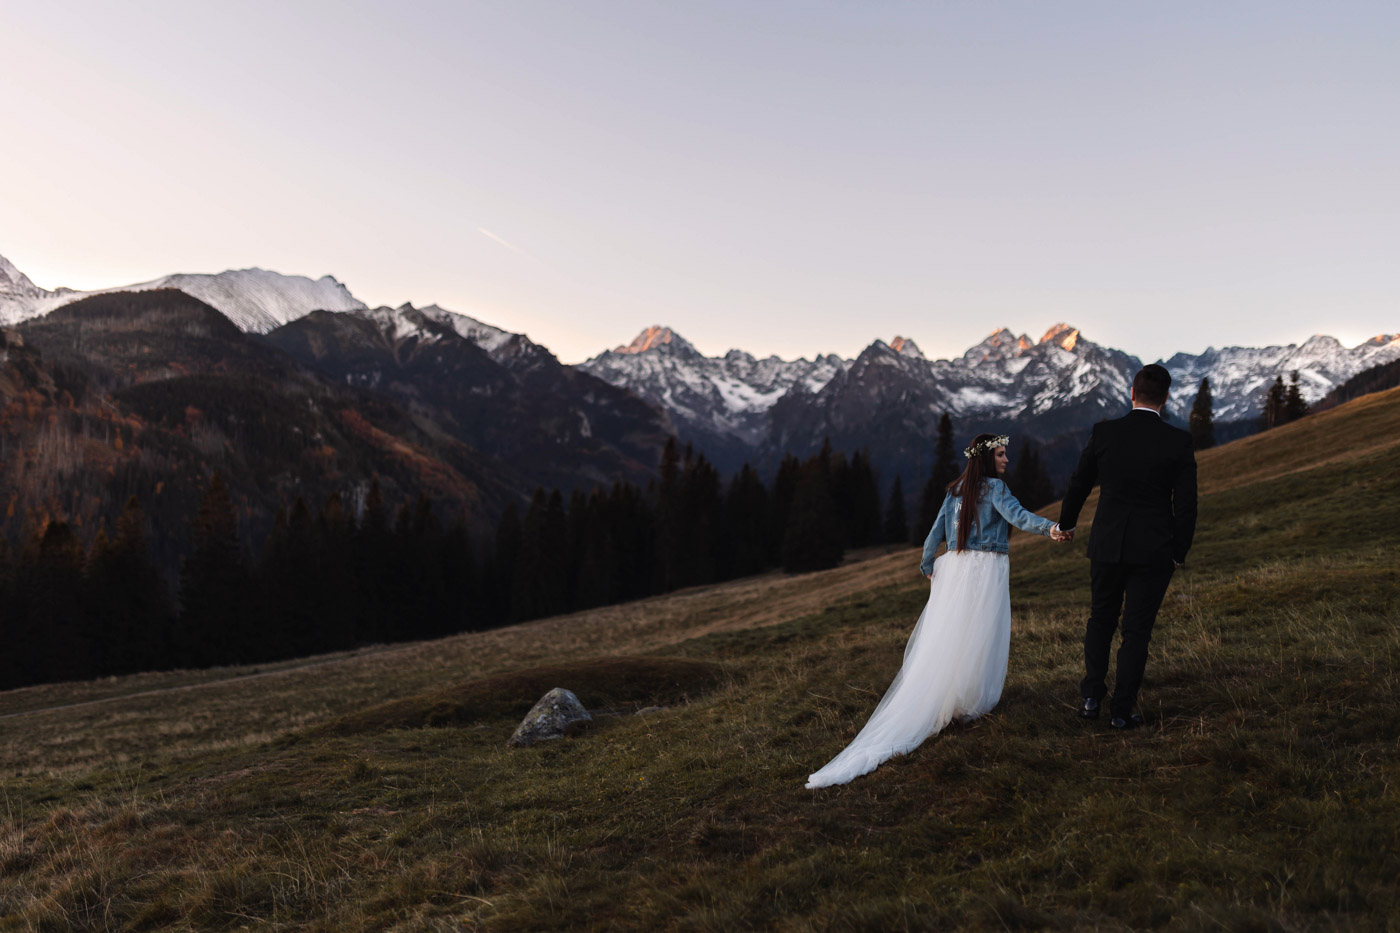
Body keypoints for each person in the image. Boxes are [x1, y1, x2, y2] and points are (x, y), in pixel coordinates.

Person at [805, 433, 1069, 789]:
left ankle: (951, 698)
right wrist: (1050, 528)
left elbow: (935, 532)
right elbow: (1017, 517)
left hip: (956, 568)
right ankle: (966, 703)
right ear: (987, 458)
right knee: (980, 633)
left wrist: (928, 563)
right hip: (985, 568)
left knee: (953, 633)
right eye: (1001, 454)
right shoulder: (996, 489)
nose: (1006, 460)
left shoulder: (955, 490)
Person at [1056, 364, 1198, 730]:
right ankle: (1121, 711)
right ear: (1166, 399)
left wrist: (1067, 523)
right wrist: (1178, 551)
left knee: (1101, 618)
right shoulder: (1178, 441)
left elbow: (1079, 482)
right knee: (1137, 631)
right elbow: (1186, 504)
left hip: (1107, 543)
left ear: (1131, 393)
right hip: (1154, 549)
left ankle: (1091, 698)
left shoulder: (1105, 432)